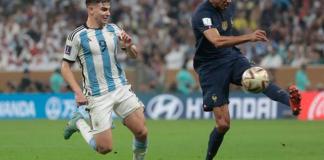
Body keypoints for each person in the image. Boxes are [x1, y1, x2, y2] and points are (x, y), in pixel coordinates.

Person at [191, 0, 302, 159]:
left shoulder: (226, 7)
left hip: (231, 57)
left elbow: (229, 36)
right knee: (223, 124)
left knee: (258, 76)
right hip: (211, 67)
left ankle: (291, 103)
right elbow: (216, 40)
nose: (228, 1)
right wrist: (249, 37)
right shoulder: (202, 14)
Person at [60, 0, 148, 159]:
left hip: (120, 88)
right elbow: (65, 67)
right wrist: (78, 92)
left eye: (109, 9)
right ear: (91, 9)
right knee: (104, 148)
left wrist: (129, 47)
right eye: (104, 9)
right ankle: (79, 122)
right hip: (97, 96)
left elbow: (134, 55)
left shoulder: (114, 29)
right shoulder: (77, 36)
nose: (108, 13)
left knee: (142, 131)